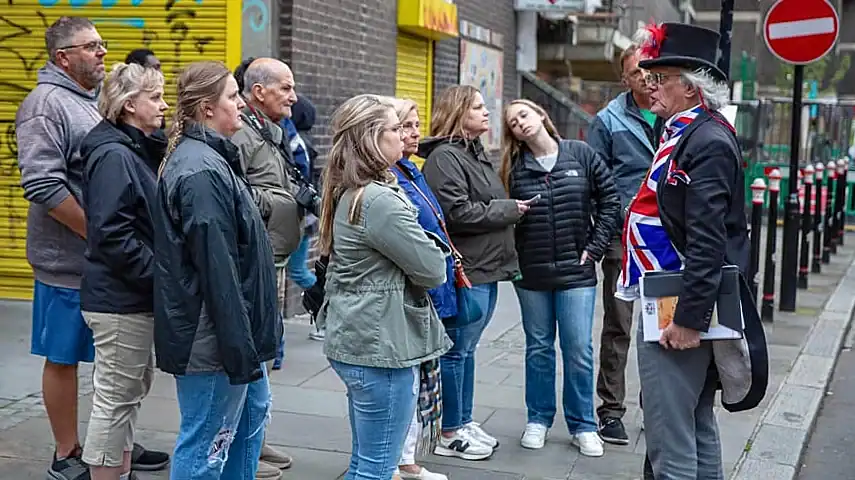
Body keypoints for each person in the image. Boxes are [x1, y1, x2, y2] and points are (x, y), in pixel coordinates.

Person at [15, 16, 167, 480]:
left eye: (102, 45)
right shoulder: (46, 105)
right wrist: (100, 234)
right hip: (67, 264)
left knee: (115, 366)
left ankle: (111, 442)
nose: (103, 52)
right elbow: (42, 183)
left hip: (104, 264)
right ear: (63, 57)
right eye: (91, 46)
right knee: (63, 356)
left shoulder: (87, 102)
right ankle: (67, 452)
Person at [625, 23, 753, 479]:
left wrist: (688, 320)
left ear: (690, 85)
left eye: (660, 78)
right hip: (665, 295)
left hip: (677, 304)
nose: (649, 85)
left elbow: (708, 241)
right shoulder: (682, 131)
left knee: (670, 439)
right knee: (693, 424)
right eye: (648, 77)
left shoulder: (707, 140)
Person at [153, 60, 280, 480]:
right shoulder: (201, 171)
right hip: (213, 341)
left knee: (246, 424)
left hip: (234, 335)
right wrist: (237, 347)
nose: (241, 103)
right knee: (208, 445)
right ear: (207, 107)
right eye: (232, 95)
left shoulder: (211, 159)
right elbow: (218, 270)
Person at [316, 94, 452, 480]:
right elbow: (432, 269)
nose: (405, 136)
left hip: (362, 340)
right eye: (395, 128)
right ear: (372, 139)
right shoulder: (378, 201)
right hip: (381, 347)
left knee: (364, 462)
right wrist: (433, 247)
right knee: (375, 470)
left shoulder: (358, 191)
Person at [500, 99, 619, 457]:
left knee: (578, 349)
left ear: (540, 114)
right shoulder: (513, 168)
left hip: (576, 272)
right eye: (512, 123)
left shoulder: (580, 154)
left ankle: (583, 425)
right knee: (538, 349)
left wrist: (595, 247)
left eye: (523, 114)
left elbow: (611, 201)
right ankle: (538, 419)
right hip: (532, 274)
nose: (520, 123)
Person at [420, 85, 526, 461]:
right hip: (468, 271)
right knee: (455, 351)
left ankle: (462, 419)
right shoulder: (445, 157)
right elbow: (458, 214)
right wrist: (509, 209)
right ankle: (449, 431)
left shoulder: (474, 153)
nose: (487, 112)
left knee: (466, 350)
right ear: (458, 112)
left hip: (488, 269)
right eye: (478, 107)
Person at [77, 62, 168, 480]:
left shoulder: (130, 149)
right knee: (114, 400)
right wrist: (159, 276)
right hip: (120, 300)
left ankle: (120, 470)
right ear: (130, 105)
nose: (163, 105)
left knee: (126, 395)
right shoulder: (115, 155)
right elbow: (112, 234)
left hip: (128, 296)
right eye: (155, 97)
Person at [231, 56, 300, 480]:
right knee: (251, 354)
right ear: (259, 92)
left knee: (262, 355)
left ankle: (253, 438)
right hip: (254, 260)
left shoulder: (266, 131)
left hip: (272, 257)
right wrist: (278, 206)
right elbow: (236, 195)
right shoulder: (241, 133)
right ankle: (243, 450)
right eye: (286, 88)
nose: (294, 96)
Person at [585, 42, 658, 445]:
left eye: (651, 71)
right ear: (624, 79)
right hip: (621, 236)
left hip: (666, 237)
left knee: (663, 323)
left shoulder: (676, 113)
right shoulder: (609, 121)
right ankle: (610, 411)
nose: (646, 80)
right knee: (619, 325)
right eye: (637, 73)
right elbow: (596, 181)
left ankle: (658, 404)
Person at [388, 98, 452, 480]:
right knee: (406, 383)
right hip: (412, 293)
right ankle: (397, 461)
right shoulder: (392, 179)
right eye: (405, 126)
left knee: (417, 381)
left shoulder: (412, 170)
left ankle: (404, 459)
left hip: (429, 289)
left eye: (415, 125)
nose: (414, 132)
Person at [283, 96, 322, 341]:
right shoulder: (305, 142)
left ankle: (326, 309)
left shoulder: (295, 143)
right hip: (305, 219)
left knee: (297, 271)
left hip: (300, 219)